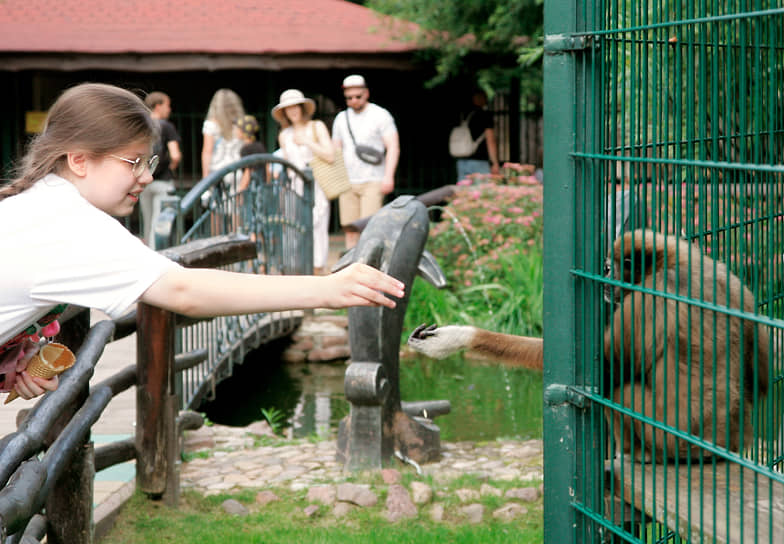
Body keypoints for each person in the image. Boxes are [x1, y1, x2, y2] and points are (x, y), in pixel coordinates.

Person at [0, 83, 405, 403]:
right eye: (133, 161)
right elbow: (183, 290)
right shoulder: (69, 224)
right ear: (79, 160)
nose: (145, 176)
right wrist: (329, 288)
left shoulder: (40, 206)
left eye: (150, 162)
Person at [331, 75, 399, 249]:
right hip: (348, 180)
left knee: (370, 228)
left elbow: (393, 146)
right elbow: (336, 150)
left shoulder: (380, 115)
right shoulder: (341, 118)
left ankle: (367, 268)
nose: (354, 101)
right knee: (350, 229)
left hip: (373, 179)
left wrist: (388, 176)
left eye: (357, 96)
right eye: (349, 98)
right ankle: (350, 268)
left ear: (366, 93)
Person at [272, 89, 334, 275]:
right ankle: (296, 271)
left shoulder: (317, 127)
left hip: (317, 183)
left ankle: (317, 269)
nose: (292, 111)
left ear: (301, 107)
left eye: (295, 106)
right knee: (292, 227)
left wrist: (307, 141)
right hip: (293, 186)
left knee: (318, 226)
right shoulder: (284, 135)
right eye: (287, 108)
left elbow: (330, 155)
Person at [141, 91, 182, 248]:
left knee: (147, 221)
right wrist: (171, 167)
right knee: (160, 223)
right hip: (163, 181)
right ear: (158, 106)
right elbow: (175, 155)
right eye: (167, 105)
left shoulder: (142, 125)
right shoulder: (166, 126)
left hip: (144, 180)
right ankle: (157, 254)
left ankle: (147, 253)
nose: (169, 109)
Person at [455, 89, 500, 182]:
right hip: (479, 160)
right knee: (481, 192)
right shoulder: (485, 115)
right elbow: (490, 139)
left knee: (463, 192)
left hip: (462, 159)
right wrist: (495, 162)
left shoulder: (464, 115)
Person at [201, 88, 245, 179]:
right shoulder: (241, 124)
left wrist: (205, 176)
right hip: (237, 169)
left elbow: (207, 151)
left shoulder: (211, 124)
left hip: (218, 171)